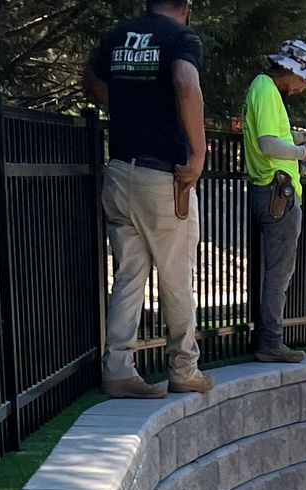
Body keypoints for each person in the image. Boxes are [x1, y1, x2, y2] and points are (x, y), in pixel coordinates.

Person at [84, 0, 212, 397]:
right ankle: (184, 368)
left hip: (119, 171)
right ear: (186, 6)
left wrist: (129, 104)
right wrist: (198, 152)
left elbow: (89, 82)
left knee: (128, 276)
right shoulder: (181, 38)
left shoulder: (120, 34)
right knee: (176, 277)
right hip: (163, 176)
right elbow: (186, 82)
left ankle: (118, 369)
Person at [241, 40, 306, 364]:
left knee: (276, 273)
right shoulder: (265, 88)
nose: (304, 86)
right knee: (279, 274)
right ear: (289, 69)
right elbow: (267, 144)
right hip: (277, 194)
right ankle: (271, 342)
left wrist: (296, 149)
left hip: (271, 191)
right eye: (303, 77)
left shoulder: (265, 90)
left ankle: (269, 339)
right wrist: (301, 152)